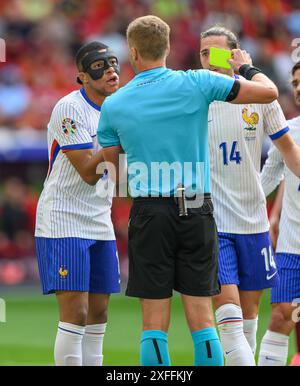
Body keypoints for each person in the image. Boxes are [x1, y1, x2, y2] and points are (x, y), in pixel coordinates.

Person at [97, 15, 279, 366]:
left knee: (153, 322)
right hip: (196, 206)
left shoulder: (115, 105)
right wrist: (248, 67)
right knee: (203, 318)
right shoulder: (198, 82)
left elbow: (115, 177)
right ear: (168, 48)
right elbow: (270, 93)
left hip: (150, 210)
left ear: (133, 52)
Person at [199, 26, 300, 366]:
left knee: (249, 317)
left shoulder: (260, 97)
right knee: (227, 314)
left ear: (236, 55)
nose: (209, 62)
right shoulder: (195, 95)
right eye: (203, 54)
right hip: (212, 219)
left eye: (216, 53)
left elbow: (286, 152)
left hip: (253, 219)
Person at [34, 41, 121, 366]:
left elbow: (119, 173)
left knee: (99, 311)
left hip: (100, 218)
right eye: (99, 65)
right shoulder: (69, 108)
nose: (110, 69)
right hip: (64, 219)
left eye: (113, 62)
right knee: (77, 312)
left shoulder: (118, 108)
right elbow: (88, 170)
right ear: (82, 76)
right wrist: (121, 133)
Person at [258, 61, 300, 366]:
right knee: (281, 314)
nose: (298, 88)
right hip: (292, 246)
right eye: (295, 83)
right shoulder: (289, 131)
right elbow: (269, 177)